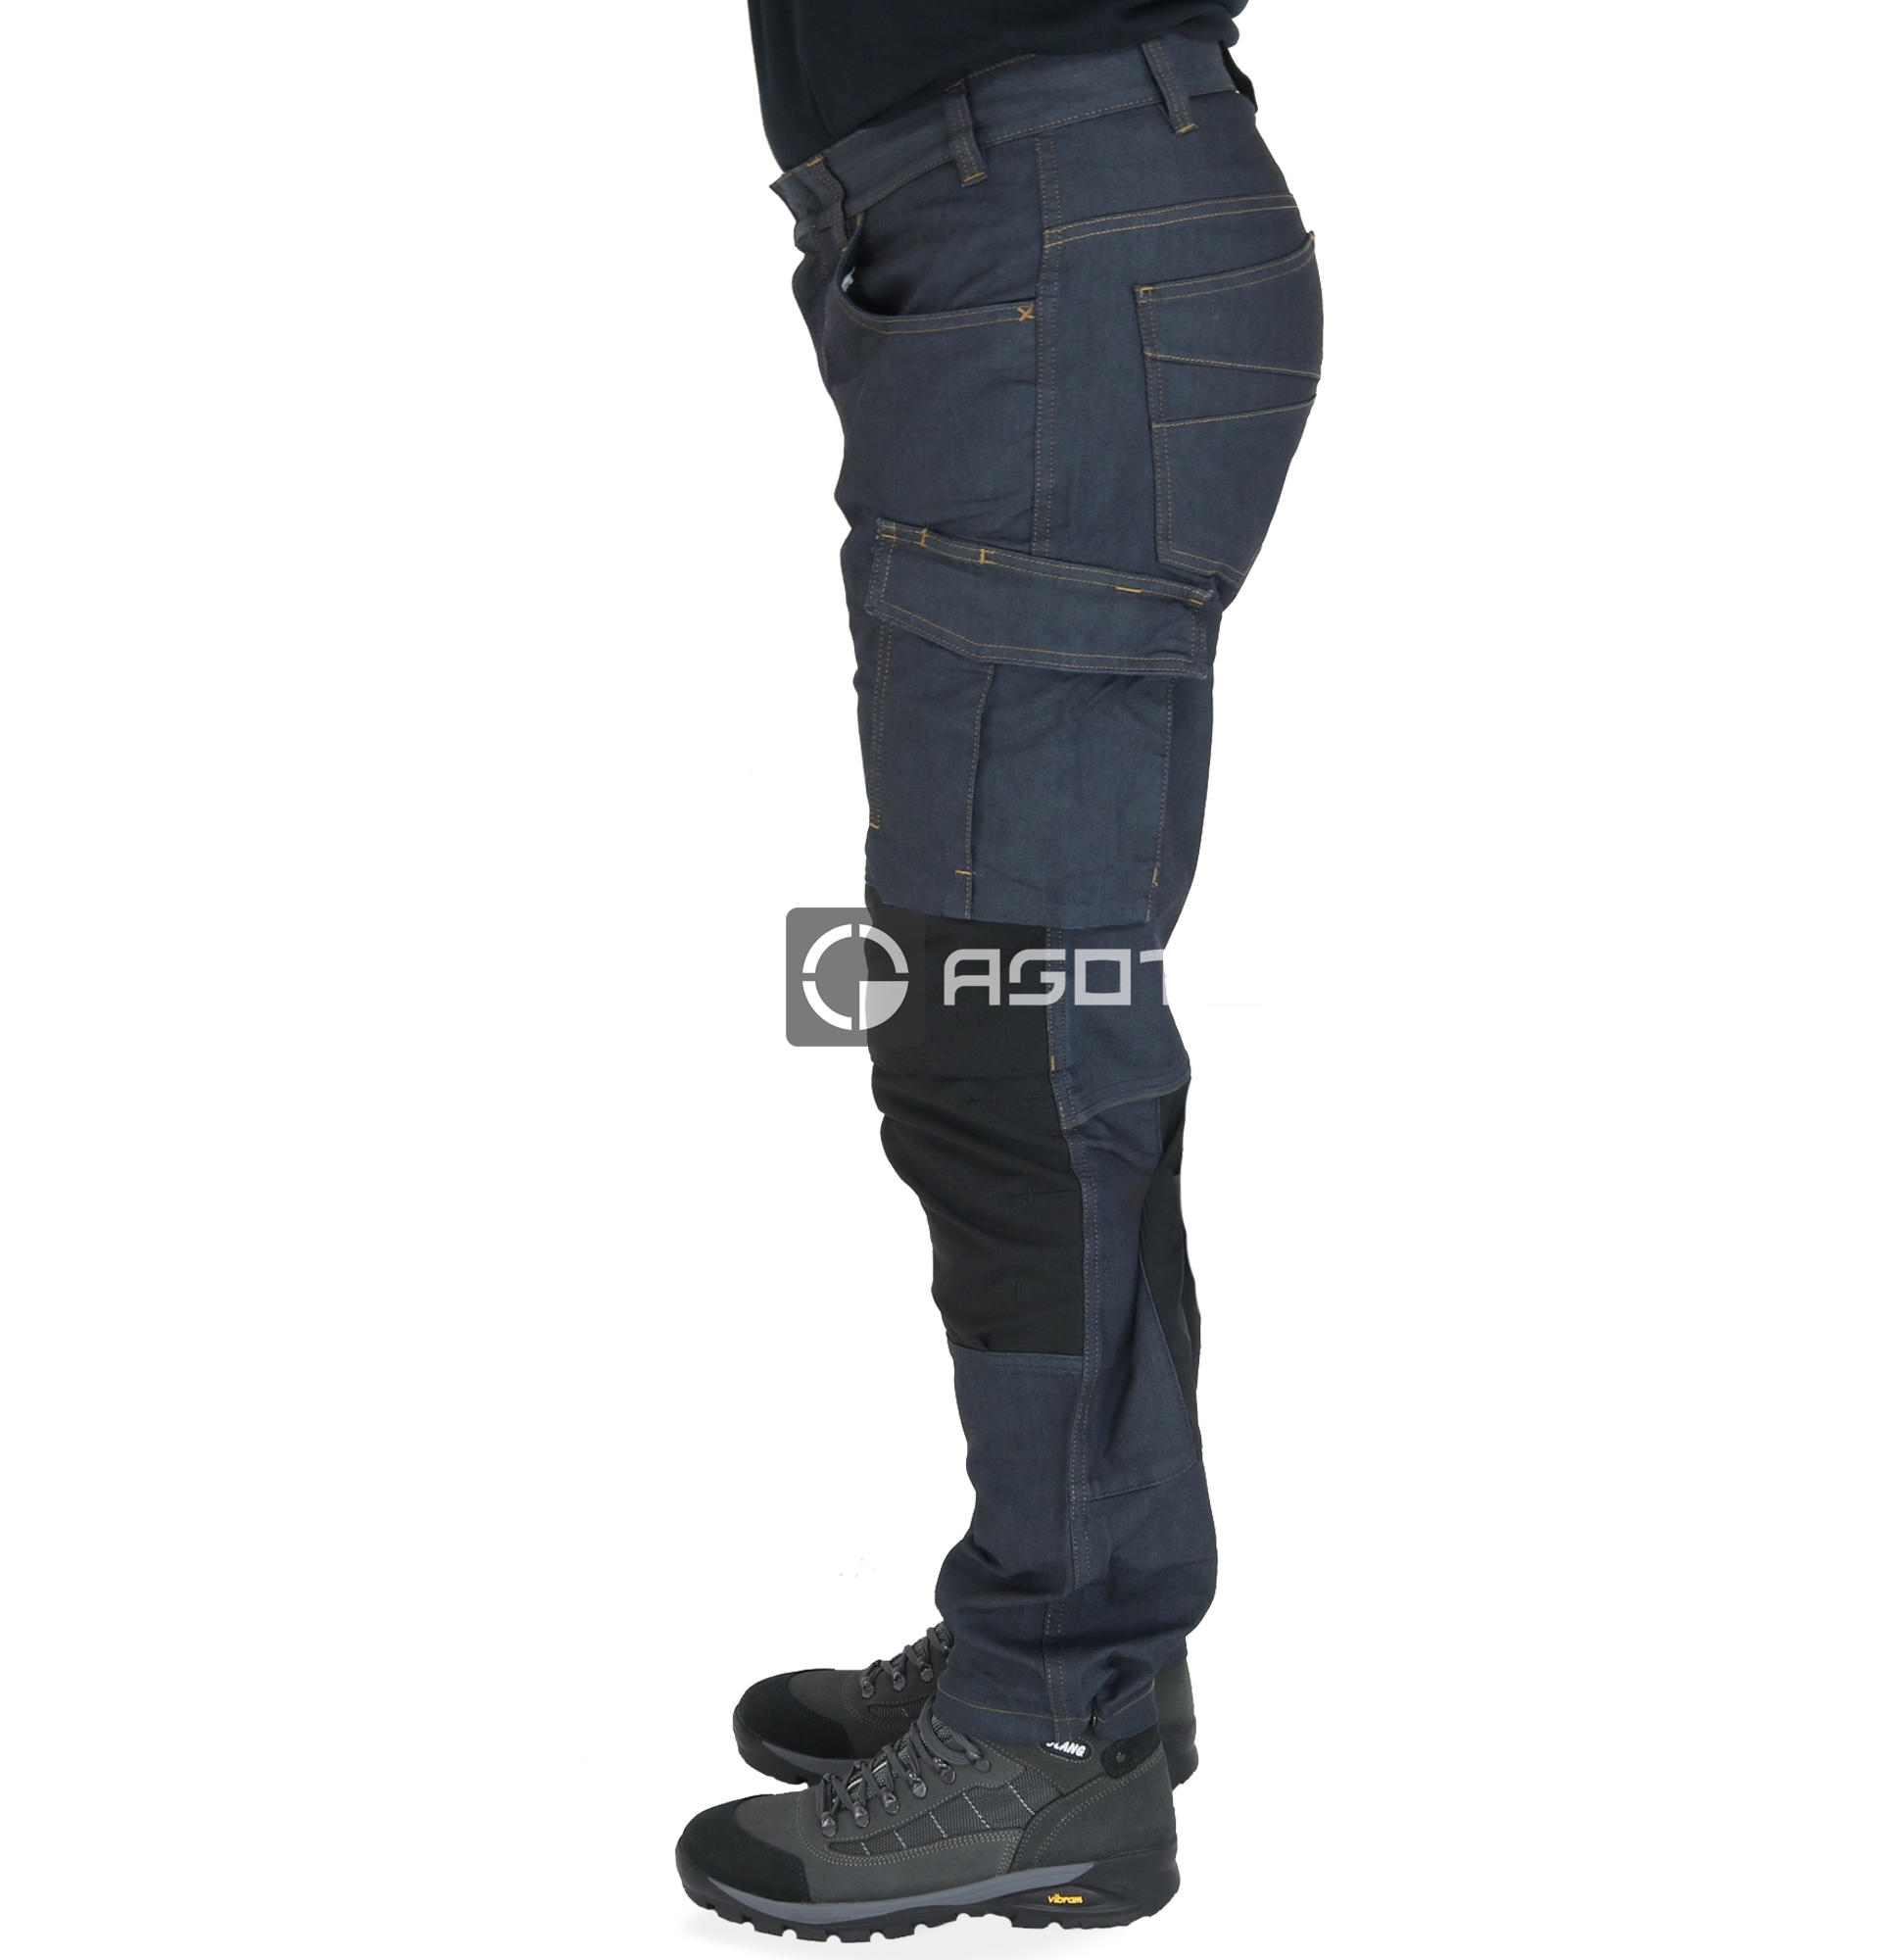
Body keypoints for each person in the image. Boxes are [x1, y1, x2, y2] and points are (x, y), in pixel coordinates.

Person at [677, 2, 1320, 1935]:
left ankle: (1054, 1710)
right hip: (1013, 230)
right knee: (1007, 1015)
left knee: (1000, 1032)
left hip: (1043, 227)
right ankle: (1078, 1646)